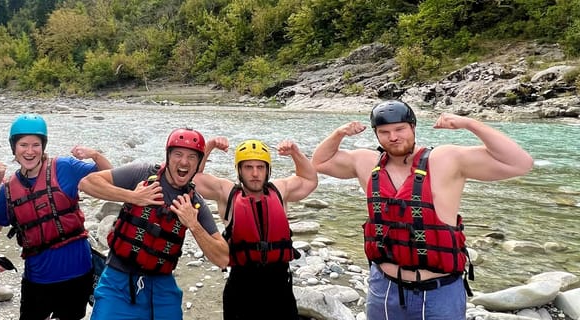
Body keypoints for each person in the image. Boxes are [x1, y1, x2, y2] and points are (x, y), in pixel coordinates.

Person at [310, 100, 533, 319]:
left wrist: (471, 124)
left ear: (413, 127)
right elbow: (320, 162)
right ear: (376, 134)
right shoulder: (366, 161)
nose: (393, 137)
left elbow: (520, 163)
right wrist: (339, 133)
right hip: (384, 287)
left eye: (400, 129)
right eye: (384, 131)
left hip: (439, 291)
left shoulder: (446, 159)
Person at [79, 128, 230, 320]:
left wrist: (194, 225)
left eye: (192, 157)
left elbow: (223, 258)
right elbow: (87, 183)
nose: (184, 162)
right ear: (168, 156)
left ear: (199, 163)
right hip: (118, 280)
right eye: (178, 154)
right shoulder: (142, 173)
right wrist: (134, 196)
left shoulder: (194, 202)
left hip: (162, 286)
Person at [0, 114, 112, 320]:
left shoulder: (65, 168)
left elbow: (109, 174)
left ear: (43, 147)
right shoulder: (9, 190)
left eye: (36, 145)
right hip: (37, 278)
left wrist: (94, 154)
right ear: (14, 148)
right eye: (23, 145)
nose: (29, 151)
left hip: (78, 273)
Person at [192, 137, 318, 319]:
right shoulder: (227, 192)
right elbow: (192, 178)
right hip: (242, 286)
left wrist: (295, 153)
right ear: (239, 170)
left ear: (268, 170)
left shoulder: (280, 190)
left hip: (279, 286)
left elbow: (309, 180)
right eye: (248, 167)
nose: (255, 173)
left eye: (260, 167)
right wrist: (209, 147)